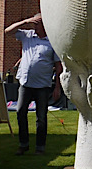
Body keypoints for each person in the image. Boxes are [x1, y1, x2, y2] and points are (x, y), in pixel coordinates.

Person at [5, 14, 61, 154]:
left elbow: (58, 67)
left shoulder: (52, 41)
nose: (34, 27)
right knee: (20, 112)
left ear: (44, 25)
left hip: (43, 85)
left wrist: (57, 87)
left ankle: (40, 148)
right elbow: (7, 31)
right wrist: (25, 21)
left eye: (37, 24)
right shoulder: (27, 35)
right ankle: (23, 144)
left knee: (41, 117)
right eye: (34, 24)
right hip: (25, 83)